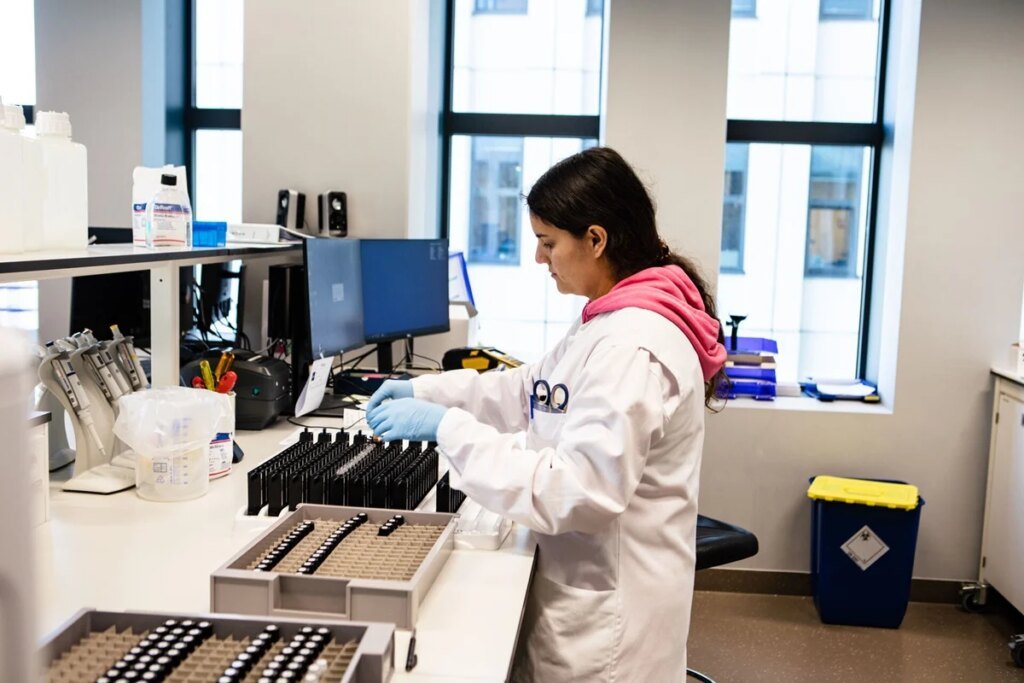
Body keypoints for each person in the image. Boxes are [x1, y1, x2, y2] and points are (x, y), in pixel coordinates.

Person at [365, 146, 727, 682]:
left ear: (597, 239)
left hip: (610, 630)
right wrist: (426, 391)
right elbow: (531, 390)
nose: (540, 258)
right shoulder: (609, 319)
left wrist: (450, 429)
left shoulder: (632, 344)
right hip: (584, 588)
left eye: (548, 242)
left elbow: (580, 491)